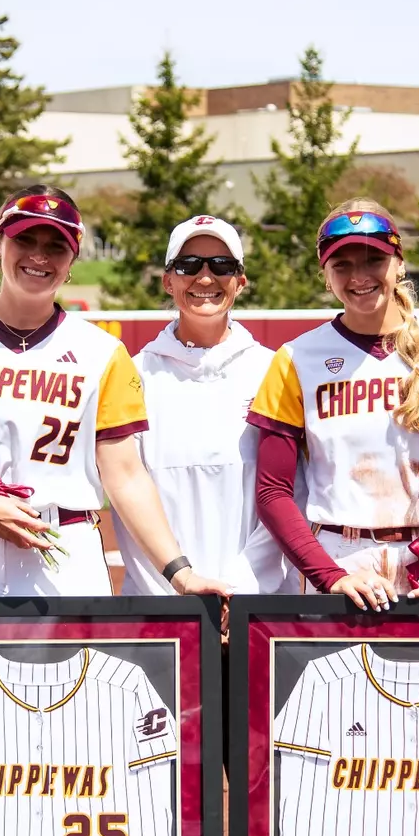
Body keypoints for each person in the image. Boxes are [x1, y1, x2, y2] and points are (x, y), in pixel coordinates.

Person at [0, 186, 231, 599]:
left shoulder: (101, 353)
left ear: (72, 262)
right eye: (24, 239)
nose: (39, 256)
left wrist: (181, 574)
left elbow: (125, 477)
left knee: (70, 667)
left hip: (62, 543)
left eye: (56, 246)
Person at [249, 199, 419, 609]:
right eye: (343, 265)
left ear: (399, 263)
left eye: (374, 259)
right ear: (325, 275)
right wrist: (329, 576)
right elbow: (272, 491)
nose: (360, 276)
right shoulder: (296, 359)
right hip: (341, 558)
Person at [115, 215, 293, 595]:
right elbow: (126, 490)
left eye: (222, 265)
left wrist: (240, 591)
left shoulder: (273, 370)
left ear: (241, 281)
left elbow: (288, 492)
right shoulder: (133, 374)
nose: (206, 277)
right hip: (161, 604)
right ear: (168, 280)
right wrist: (175, 587)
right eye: (188, 265)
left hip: (256, 602)